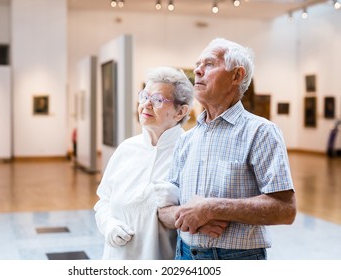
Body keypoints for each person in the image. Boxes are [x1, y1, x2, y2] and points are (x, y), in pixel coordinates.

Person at [158, 38, 296, 260]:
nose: (197, 71)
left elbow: (285, 210)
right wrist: (189, 217)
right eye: (197, 64)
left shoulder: (261, 132)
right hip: (183, 254)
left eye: (209, 64)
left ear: (236, 76)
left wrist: (212, 208)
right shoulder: (186, 140)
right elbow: (163, 210)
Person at [94, 66, 194, 259]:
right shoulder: (126, 149)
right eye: (144, 96)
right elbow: (103, 200)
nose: (146, 104)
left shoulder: (189, 152)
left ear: (180, 111)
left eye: (157, 100)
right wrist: (109, 225)